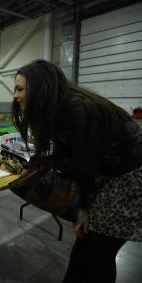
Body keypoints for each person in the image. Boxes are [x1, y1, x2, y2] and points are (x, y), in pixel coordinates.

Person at [11, 59, 142, 283]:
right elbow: (71, 157)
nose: (16, 95)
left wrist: (83, 208)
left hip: (127, 178)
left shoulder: (77, 108)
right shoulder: (60, 108)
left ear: (41, 88)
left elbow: (84, 165)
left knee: (99, 253)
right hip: (107, 174)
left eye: (20, 89)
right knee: (85, 245)